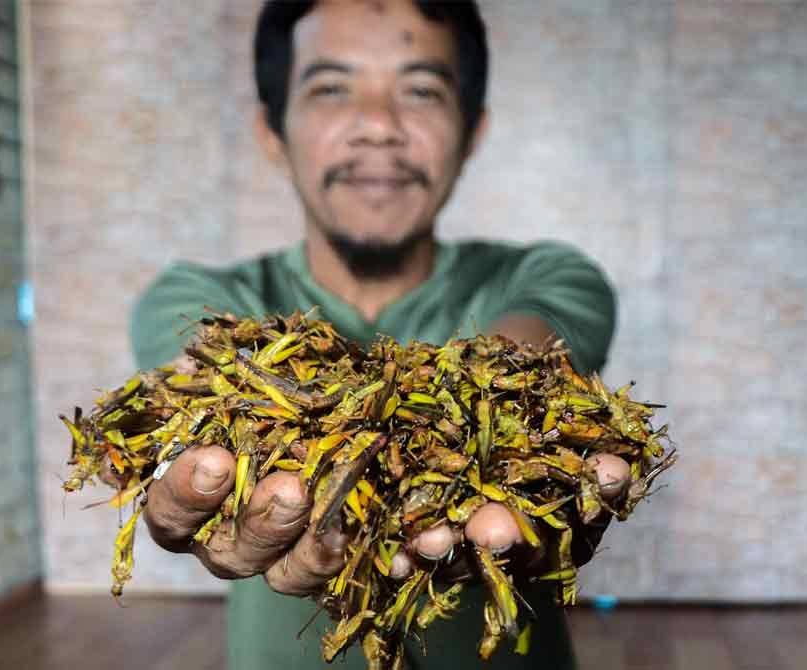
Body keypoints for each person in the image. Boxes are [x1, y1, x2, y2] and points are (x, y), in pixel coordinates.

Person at [127, 2, 628, 668]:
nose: (378, 127)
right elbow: (210, 385)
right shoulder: (196, 299)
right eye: (332, 88)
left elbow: (527, 352)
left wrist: (498, 398)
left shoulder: (549, 275)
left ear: (472, 132)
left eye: (420, 90)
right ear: (272, 132)